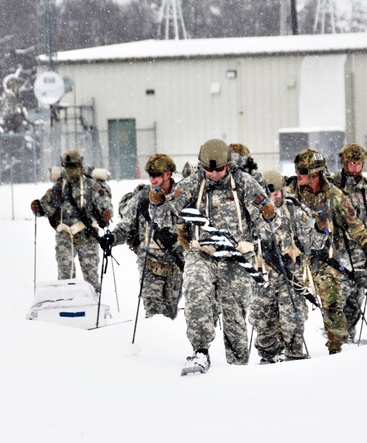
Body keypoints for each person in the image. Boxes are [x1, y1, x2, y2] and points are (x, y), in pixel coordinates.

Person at [151, 138, 276, 375]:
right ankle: (200, 350)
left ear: (228, 165)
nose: (214, 174)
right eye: (209, 169)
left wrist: (268, 216)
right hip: (203, 252)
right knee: (195, 290)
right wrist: (156, 202)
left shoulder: (245, 183)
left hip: (235, 256)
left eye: (219, 169)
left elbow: (269, 218)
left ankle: (238, 365)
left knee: (235, 312)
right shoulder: (194, 183)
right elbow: (167, 213)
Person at [290, 148, 367, 355]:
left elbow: (353, 223)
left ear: (315, 173)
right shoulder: (290, 192)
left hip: (322, 256)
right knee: (288, 303)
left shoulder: (333, 195)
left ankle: (336, 350)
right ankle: (287, 351)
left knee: (332, 300)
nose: (298, 175)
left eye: (302, 171)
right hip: (294, 256)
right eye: (297, 170)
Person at [250, 170, 325, 363]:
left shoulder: (294, 211)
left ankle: (294, 353)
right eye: (269, 195)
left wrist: (319, 229)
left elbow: (314, 243)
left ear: (283, 192)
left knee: (293, 317)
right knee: (262, 320)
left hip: (289, 275)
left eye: (277, 194)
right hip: (263, 275)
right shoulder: (253, 211)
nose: (273, 199)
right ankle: (268, 356)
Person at [99, 153, 184, 321]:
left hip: (176, 266)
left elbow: (193, 228)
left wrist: (176, 235)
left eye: (157, 175)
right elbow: (126, 226)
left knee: (171, 317)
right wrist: (112, 238)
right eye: (150, 175)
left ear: (168, 174)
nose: (152, 179)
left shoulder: (182, 197)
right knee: (153, 315)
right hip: (149, 266)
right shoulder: (142, 199)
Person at [30, 149, 113, 295]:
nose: (70, 170)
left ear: (81, 166)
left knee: (91, 279)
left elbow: (104, 203)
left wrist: (106, 213)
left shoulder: (91, 185)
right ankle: (67, 302)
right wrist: (37, 207)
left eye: (74, 166)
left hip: (87, 236)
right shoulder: (59, 187)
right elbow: (46, 206)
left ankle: (92, 306)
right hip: (65, 237)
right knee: (65, 276)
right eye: (67, 166)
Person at [331, 143, 367, 343]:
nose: (355, 167)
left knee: (356, 298)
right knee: (339, 297)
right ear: (345, 163)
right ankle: (336, 339)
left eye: (359, 163)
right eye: (352, 163)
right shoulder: (333, 185)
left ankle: (349, 339)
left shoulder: (366, 187)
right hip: (340, 251)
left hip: (363, 252)